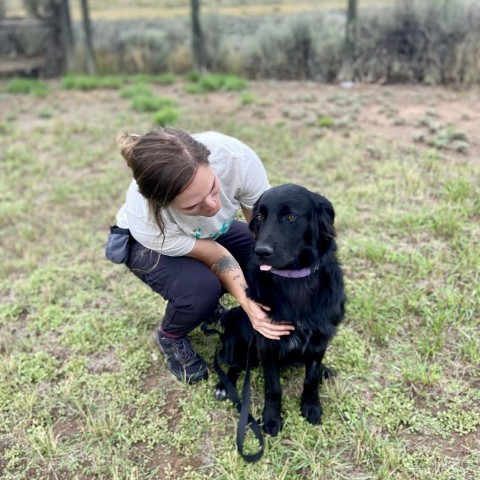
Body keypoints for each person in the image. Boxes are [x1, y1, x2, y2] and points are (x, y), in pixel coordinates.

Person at [106, 128, 293, 384]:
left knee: (254, 254)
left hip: (204, 231)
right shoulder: (149, 221)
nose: (214, 206)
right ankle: (170, 336)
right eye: (193, 205)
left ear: (209, 161)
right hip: (144, 244)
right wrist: (248, 304)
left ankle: (209, 309)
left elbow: (261, 232)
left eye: (213, 188)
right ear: (165, 204)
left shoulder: (237, 159)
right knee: (202, 288)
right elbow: (216, 257)